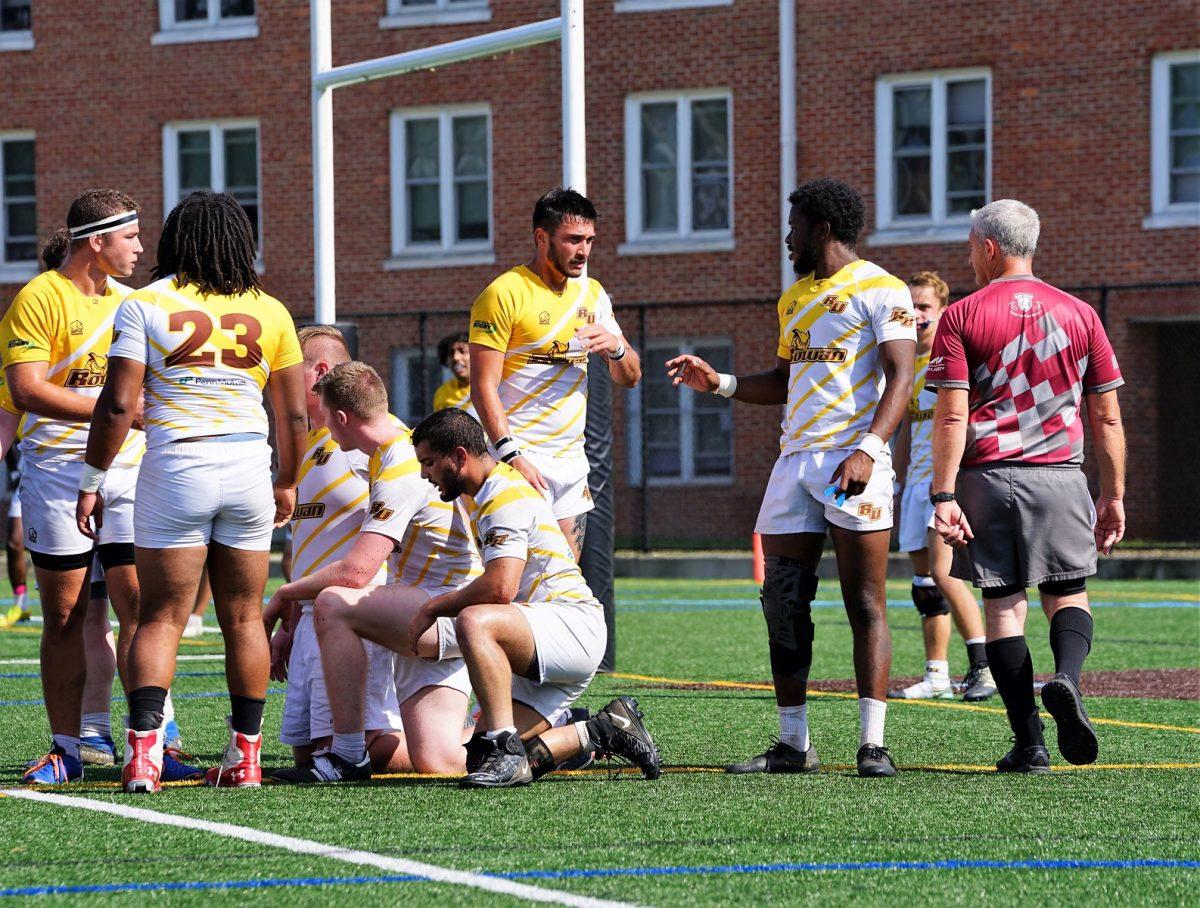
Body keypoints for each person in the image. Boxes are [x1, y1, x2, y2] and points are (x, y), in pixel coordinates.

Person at [667, 179, 916, 778]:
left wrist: (869, 449)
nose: (786, 237)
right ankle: (792, 744)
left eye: (793, 226)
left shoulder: (884, 289)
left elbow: (902, 376)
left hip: (853, 461)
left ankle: (873, 745)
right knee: (782, 603)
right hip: (794, 462)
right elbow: (785, 381)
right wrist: (720, 383)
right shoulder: (794, 297)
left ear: (822, 229)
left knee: (865, 602)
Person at [76, 190, 308, 792]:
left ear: (176, 240)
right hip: (247, 466)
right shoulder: (273, 311)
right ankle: (246, 758)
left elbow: (120, 404)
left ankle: (144, 757)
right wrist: (287, 479)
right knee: (242, 619)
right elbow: (294, 418)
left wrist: (93, 479)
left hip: (178, 464)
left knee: (160, 616)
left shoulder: (145, 303)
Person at [927, 199, 1126, 773]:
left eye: (970, 246)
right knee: (1068, 592)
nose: (969, 257)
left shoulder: (962, 316)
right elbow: (1107, 417)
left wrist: (943, 496)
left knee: (1004, 611)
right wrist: (1111, 495)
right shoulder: (1081, 314)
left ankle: (1030, 743)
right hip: (1062, 474)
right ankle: (1065, 678)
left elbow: (951, 417)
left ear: (990, 247)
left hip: (988, 477)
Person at [409, 407, 661, 788]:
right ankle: (601, 729)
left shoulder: (501, 494)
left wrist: (432, 607)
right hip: (549, 636)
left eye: (428, 462)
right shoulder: (486, 492)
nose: (425, 474)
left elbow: (500, 588)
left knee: (473, 620)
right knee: (472, 757)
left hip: (571, 627)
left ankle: (503, 747)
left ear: (460, 456)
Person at [267, 361, 479, 782]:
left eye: (324, 416)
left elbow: (357, 572)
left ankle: (348, 756)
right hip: (430, 610)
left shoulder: (399, 462)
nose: (321, 425)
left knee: (334, 602)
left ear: (341, 419)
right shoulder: (392, 452)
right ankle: (572, 732)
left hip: (449, 611)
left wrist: (283, 594)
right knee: (439, 762)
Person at [1, 190, 150, 785]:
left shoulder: (136, 303)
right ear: (98, 242)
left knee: (142, 605)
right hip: (58, 472)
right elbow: (27, 390)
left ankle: (151, 737)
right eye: (131, 237)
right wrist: (113, 408)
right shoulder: (39, 298)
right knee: (64, 616)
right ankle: (66, 747)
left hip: (131, 466)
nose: (140, 248)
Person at [262, 331, 406, 777]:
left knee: (343, 750)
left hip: (348, 612)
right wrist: (294, 616)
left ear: (320, 375)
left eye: (287, 376)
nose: (276, 389)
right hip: (310, 617)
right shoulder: (309, 448)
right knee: (307, 755)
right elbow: (306, 540)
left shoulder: (378, 444)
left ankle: (482, 742)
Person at [469, 188, 641, 559]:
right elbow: (483, 387)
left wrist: (616, 347)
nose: (584, 251)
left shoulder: (593, 295)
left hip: (571, 464)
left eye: (590, 240)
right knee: (508, 585)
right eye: (573, 240)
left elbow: (630, 376)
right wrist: (511, 455)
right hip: (518, 457)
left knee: (563, 586)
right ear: (541, 237)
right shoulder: (504, 293)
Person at [890, 271, 995, 702]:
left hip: (941, 485)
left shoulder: (953, 358)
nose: (915, 315)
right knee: (924, 584)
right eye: (908, 307)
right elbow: (905, 432)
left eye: (924, 307)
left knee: (944, 572)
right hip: (913, 484)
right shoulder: (907, 361)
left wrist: (950, 486)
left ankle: (984, 667)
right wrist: (894, 487)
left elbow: (963, 425)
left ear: (944, 310)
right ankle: (937, 675)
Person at [432, 332, 473, 413]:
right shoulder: (442, 393)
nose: (456, 357)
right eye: (451, 353)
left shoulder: (491, 387)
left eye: (462, 351)